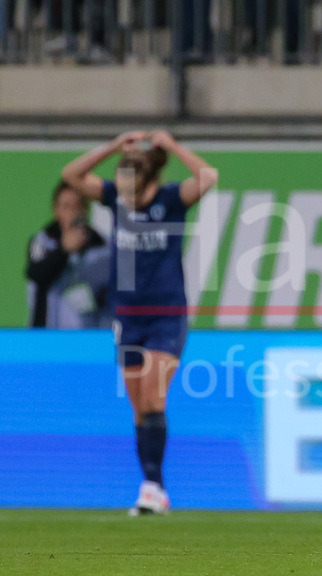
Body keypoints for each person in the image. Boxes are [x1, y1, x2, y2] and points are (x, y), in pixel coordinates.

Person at [61, 130, 219, 515]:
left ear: (150, 183)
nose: (126, 200)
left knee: (153, 397)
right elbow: (72, 175)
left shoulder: (171, 200)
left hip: (166, 316)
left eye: (133, 193)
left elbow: (208, 177)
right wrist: (114, 146)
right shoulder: (116, 197)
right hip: (128, 316)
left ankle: (151, 488)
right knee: (138, 408)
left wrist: (173, 145)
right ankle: (154, 487)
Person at [26, 180, 110, 328]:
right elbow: (36, 273)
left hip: (90, 333)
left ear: (85, 209)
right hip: (48, 332)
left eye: (77, 206)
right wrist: (64, 250)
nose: (72, 213)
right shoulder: (43, 241)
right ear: (56, 210)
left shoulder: (102, 245)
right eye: (66, 207)